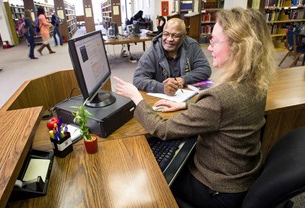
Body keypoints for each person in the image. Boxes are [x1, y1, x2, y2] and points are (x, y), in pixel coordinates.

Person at [114, 7, 276, 208]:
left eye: (214, 41)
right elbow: (223, 111)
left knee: (148, 181)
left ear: (239, 47)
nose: (209, 48)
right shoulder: (258, 82)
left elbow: (162, 129)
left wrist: (135, 98)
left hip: (217, 189)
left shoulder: (220, 98)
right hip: (243, 175)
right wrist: (184, 104)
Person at [133, 18, 211, 96]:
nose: (169, 39)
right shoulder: (152, 52)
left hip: (186, 95)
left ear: (184, 37)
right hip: (161, 98)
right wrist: (161, 87)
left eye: (175, 35)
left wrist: (184, 79)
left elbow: (205, 69)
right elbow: (138, 79)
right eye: (166, 34)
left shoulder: (192, 46)